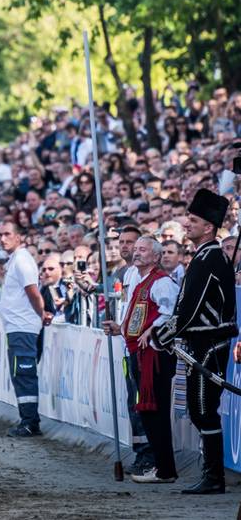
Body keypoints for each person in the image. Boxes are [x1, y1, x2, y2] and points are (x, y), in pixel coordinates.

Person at [154, 188, 238, 494]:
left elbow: (190, 307)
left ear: (209, 227)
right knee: (198, 407)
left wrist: (164, 333)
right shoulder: (204, 257)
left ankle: (214, 477)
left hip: (210, 345)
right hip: (201, 344)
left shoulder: (210, 258)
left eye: (193, 219)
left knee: (203, 408)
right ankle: (211, 473)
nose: (186, 224)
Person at [104, 236, 179, 484]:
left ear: (156, 256)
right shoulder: (141, 283)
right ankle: (161, 466)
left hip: (154, 356)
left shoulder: (162, 283)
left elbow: (172, 314)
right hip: (138, 352)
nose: (136, 253)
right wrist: (120, 328)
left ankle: (164, 468)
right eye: (135, 249)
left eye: (143, 250)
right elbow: (138, 318)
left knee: (154, 411)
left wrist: (154, 330)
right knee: (147, 412)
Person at [0, 220, 46, 438]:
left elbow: (33, 291)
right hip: (17, 327)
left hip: (23, 327)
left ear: (19, 237)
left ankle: (30, 423)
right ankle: (27, 420)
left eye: (7, 234)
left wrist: (41, 313)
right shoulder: (15, 260)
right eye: (0, 234)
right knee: (20, 373)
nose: (2, 238)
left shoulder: (22, 260)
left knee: (24, 373)